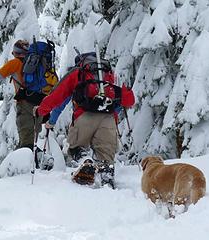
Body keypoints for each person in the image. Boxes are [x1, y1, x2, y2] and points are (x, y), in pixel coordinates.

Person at [34, 52, 135, 187]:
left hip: (84, 117)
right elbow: (129, 100)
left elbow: (57, 95)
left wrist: (41, 110)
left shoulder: (78, 73)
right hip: (108, 119)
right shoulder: (110, 73)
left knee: (76, 148)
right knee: (106, 158)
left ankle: (85, 161)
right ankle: (106, 180)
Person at [0, 40, 54, 170]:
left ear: (16, 52)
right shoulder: (40, 64)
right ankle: (34, 166)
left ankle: (41, 161)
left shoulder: (15, 63)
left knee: (26, 140)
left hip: (25, 103)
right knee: (31, 138)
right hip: (40, 103)